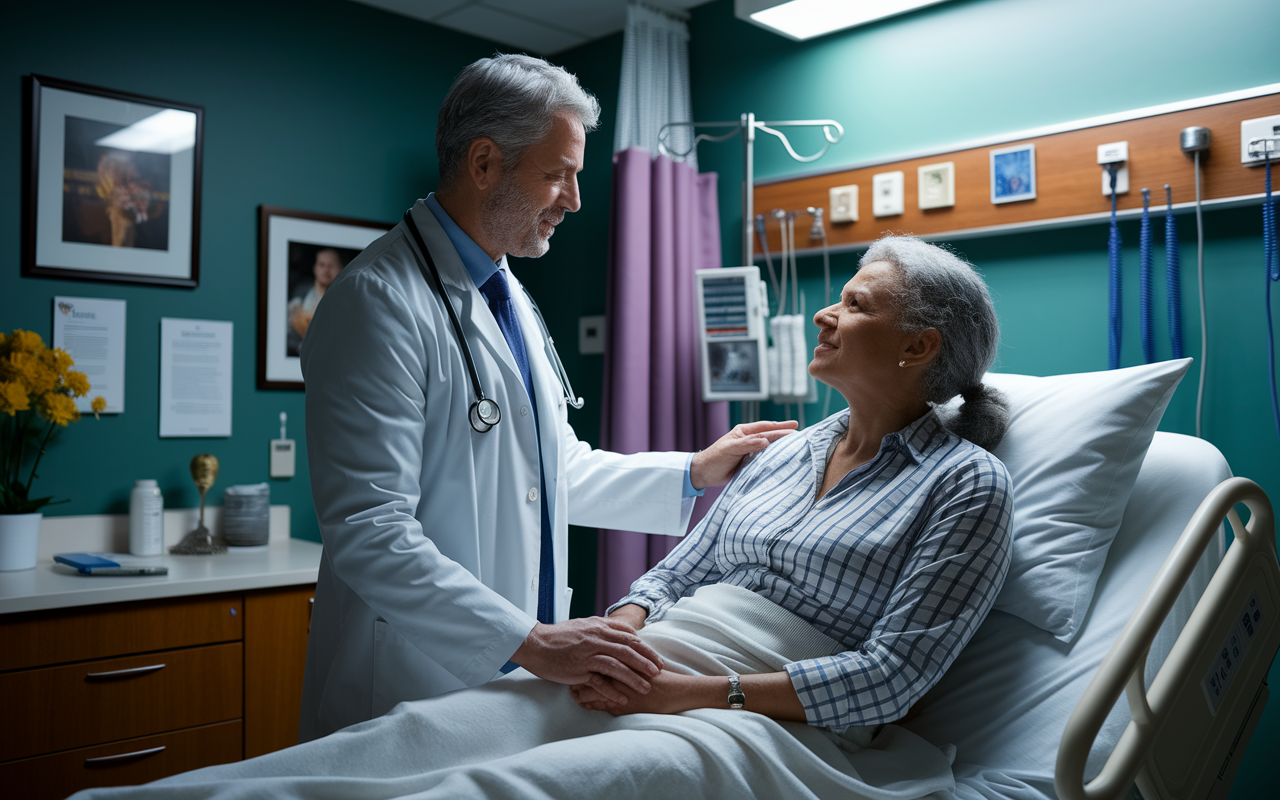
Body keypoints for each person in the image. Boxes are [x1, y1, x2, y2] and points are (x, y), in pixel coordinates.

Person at [71, 236, 1014, 800]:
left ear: (918, 347)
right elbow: (686, 567)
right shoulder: (791, 448)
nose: (824, 315)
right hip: (649, 664)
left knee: (495, 787)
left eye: (853, 304)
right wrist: (624, 627)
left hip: (764, 720)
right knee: (415, 738)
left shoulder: (964, 487)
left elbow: (889, 680)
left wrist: (686, 693)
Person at [296, 53, 795, 742]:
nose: (575, 200)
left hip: (511, 675)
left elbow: (553, 473)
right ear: (483, 164)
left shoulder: (507, 297)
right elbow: (370, 533)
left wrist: (693, 471)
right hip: (413, 677)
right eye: (558, 174)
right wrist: (530, 640)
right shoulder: (377, 303)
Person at [286, 247, 343, 356]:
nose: (326, 270)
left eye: (331, 266)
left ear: (341, 269)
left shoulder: (348, 301)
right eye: (322, 265)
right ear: (315, 268)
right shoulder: (299, 299)